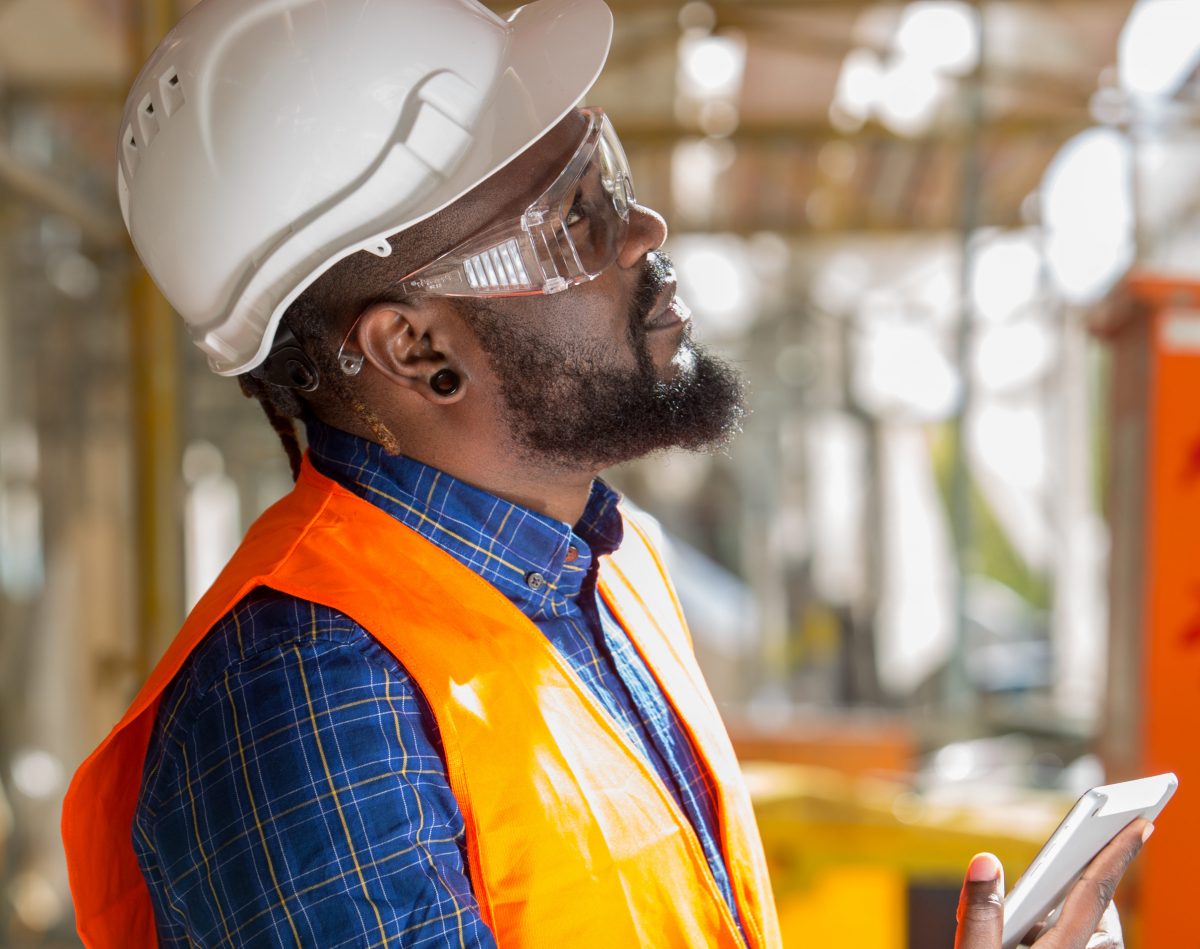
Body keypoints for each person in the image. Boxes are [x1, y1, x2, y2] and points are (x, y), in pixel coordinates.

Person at [62, 0, 1151, 945]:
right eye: (572, 218)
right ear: (416, 349)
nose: (642, 230)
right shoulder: (307, 697)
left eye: (608, 175)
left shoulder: (605, 567)